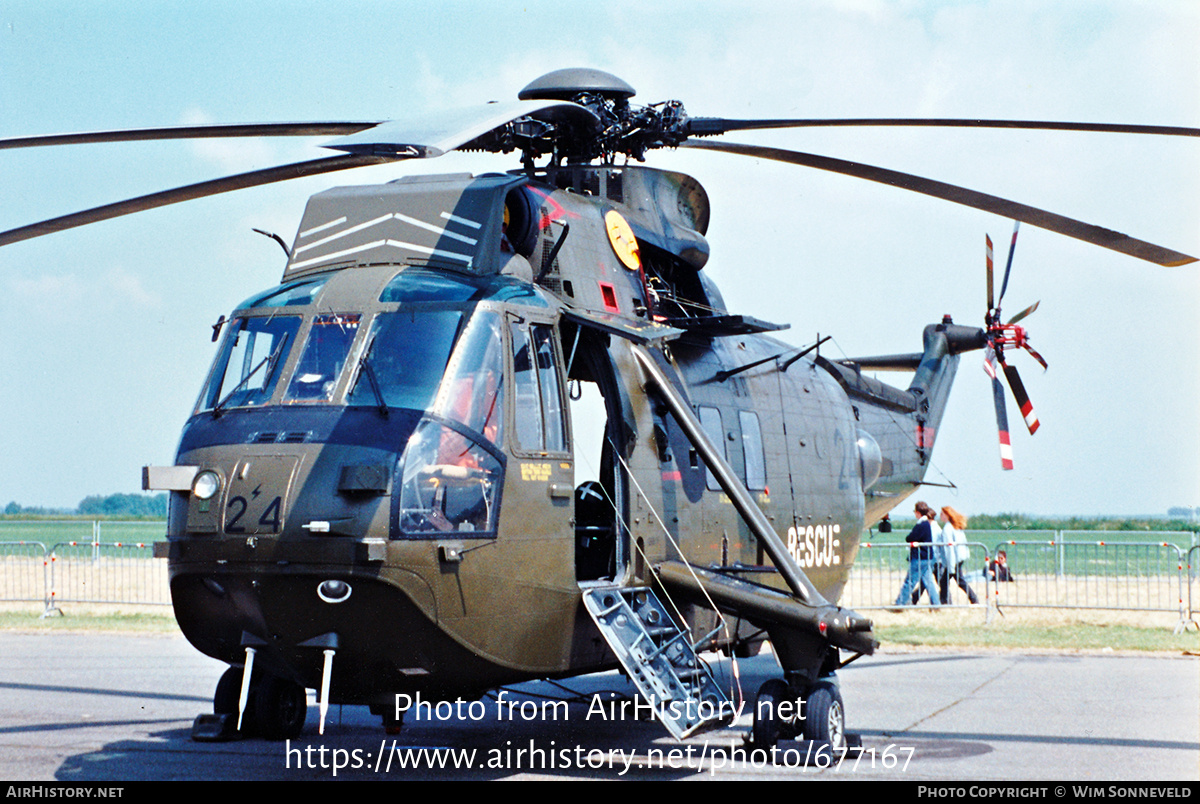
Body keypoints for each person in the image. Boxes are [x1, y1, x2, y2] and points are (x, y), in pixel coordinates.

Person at [894, 501, 941, 607]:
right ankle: (936, 604)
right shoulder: (926, 524)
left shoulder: (921, 525)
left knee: (910, 581)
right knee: (929, 582)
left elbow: (910, 537)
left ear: (918, 512)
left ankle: (900, 604)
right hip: (927, 557)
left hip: (920, 557)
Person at [941, 506, 979, 604]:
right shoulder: (956, 526)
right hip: (960, 557)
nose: (940, 516)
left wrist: (951, 565)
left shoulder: (947, 529)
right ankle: (944, 601)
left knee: (958, 581)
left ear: (947, 515)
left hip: (954, 558)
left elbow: (949, 548)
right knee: (945, 581)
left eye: (942, 514)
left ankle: (973, 599)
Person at [911, 506, 949, 604]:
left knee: (934, 581)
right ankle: (916, 598)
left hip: (934, 558)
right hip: (933, 558)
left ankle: (945, 600)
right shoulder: (934, 528)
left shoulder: (934, 528)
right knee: (928, 580)